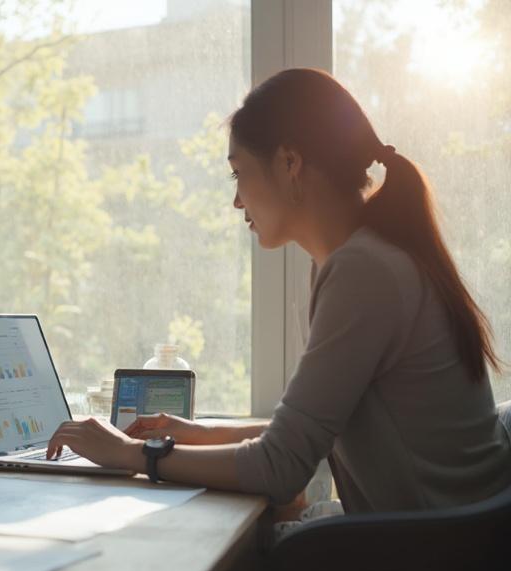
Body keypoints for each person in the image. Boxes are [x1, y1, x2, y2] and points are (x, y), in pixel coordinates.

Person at [46, 68, 511, 513]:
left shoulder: (363, 271)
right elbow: (310, 429)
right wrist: (196, 433)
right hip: (443, 537)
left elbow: (280, 467)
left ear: (289, 163)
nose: (235, 200)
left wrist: (131, 455)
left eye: (237, 173)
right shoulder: (359, 259)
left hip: (438, 552)